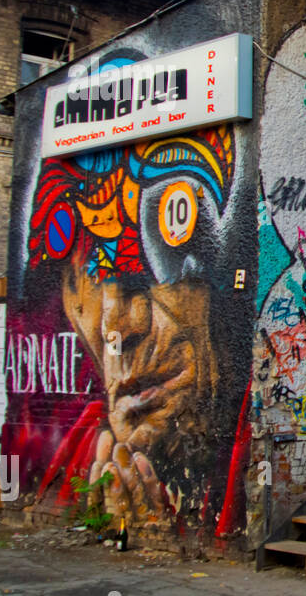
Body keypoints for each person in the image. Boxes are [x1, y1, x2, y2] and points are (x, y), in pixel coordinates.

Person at [15, 126, 251, 544]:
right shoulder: (72, 459)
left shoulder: (260, 430)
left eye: (145, 275)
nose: (118, 329)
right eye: (86, 279)